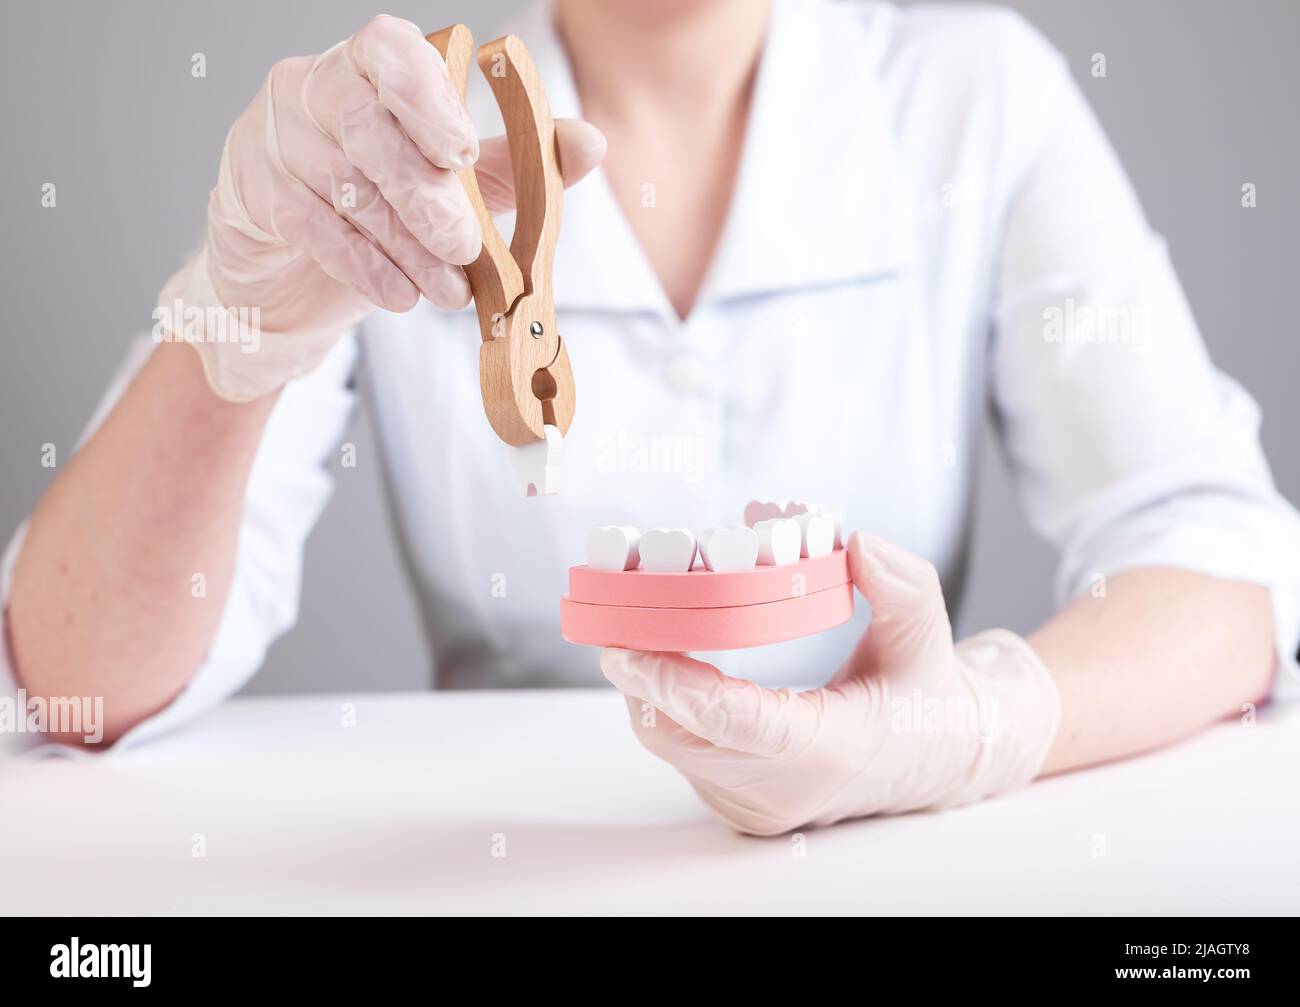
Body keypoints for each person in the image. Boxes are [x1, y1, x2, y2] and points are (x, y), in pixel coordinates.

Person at [4, 0, 1298, 836]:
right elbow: (72, 683)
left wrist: (977, 727)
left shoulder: (978, 97)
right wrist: (234, 328)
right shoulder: (389, 143)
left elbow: (1223, 564)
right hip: (500, 881)